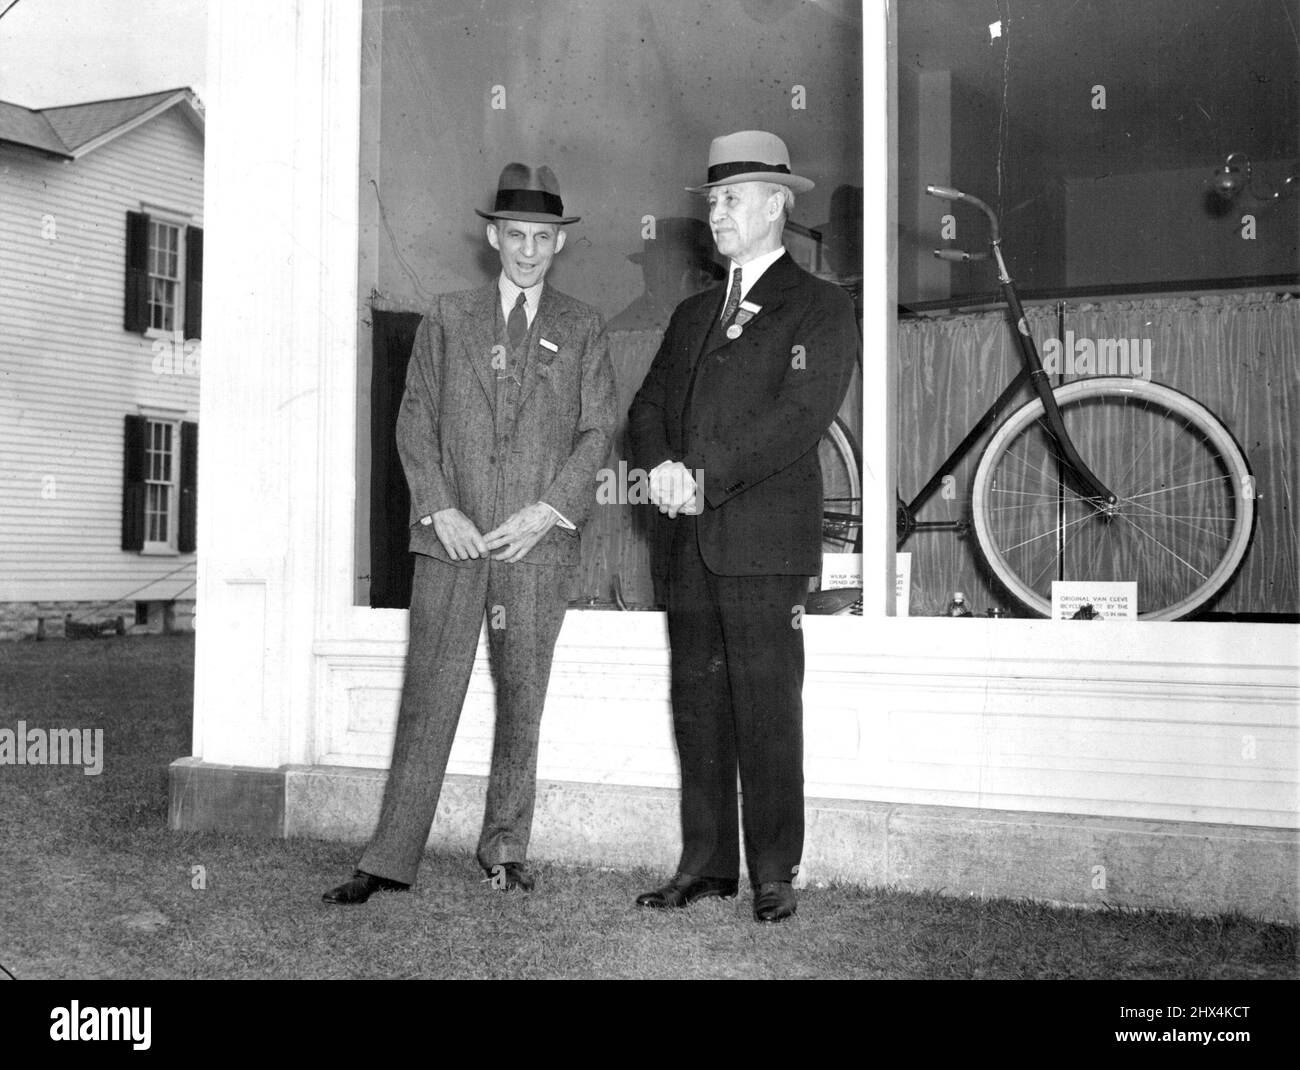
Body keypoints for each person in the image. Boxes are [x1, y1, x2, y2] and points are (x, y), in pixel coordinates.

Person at [323, 163, 617, 904]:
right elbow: (414, 419)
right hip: (451, 542)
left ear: (558, 245)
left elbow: (597, 430)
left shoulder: (583, 328)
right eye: (515, 234)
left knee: (523, 696)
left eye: (542, 237)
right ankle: (389, 858)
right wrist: (439, 508)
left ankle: (505, 850)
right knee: (429, 693)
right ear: (493, 236)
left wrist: (547, 510)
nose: (527, 249)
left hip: (535, 547)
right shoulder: (447, 318)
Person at [626, 130, 858, 923]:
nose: (716, 214)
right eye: (714, 201)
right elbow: (648, 407)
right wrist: (658, 464)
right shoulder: (693, 314)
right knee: (696, 705)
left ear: (775, 207)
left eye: (731, 200)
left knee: (766, 704)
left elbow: (801, 417)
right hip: (688, 543)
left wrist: (704, 476)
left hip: (761, 544)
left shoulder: (820, 306)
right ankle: (705, 865)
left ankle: (772, 871)